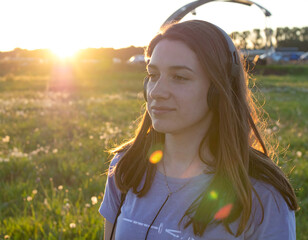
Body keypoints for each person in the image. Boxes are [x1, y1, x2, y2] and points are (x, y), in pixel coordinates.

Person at [99, 20, 299, 240]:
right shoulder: (126, 167)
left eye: (179, 77)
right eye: (153, 75)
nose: (156, 92)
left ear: (218, 90)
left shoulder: (263, 196)